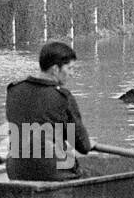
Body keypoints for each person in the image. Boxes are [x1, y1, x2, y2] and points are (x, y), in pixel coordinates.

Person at [5, 40, 93, 181]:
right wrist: (87, 141)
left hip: (15, 169)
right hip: (52, 170)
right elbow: (83, 146)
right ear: (55, 69)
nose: (72, 73)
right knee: (92, 174)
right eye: (69, 68)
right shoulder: (62, 97)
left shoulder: (14, 90)